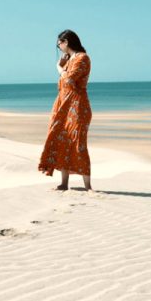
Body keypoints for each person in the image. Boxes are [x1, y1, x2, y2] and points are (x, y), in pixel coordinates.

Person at [39, 29, 93, 191]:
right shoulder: (70, 60)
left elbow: (69, 80)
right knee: (62, 140)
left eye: (59, 44)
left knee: (77, 142)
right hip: (63, 105)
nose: (59, 47)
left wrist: (59, 68)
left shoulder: (82, 58)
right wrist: (64, 66)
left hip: (77, 106)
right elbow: (62, 85)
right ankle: (64, 183)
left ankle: (88, 186)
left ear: (66, 42)